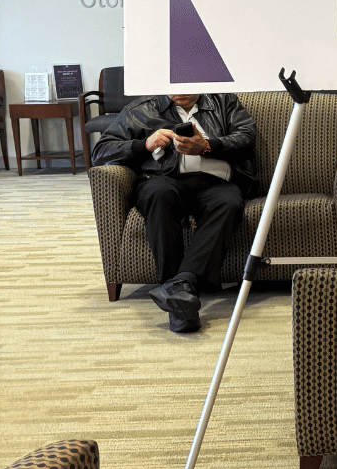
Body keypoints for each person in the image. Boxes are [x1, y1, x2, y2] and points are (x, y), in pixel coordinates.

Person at [93, 92, 257, 333]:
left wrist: (207, 146)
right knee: (159, 195)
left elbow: (247, 137)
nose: (180, 91)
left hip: (215, 182)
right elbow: (101, 151)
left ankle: (179, 288)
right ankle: (181, 291)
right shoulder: (141, 109)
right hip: (163, 179)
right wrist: (144, 144)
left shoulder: (224, 102)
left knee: (229, 202)